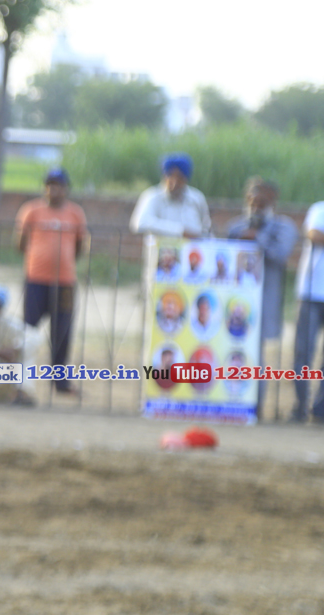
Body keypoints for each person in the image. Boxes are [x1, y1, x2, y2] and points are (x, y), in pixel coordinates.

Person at [226, 177, 297, 416]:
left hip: (264, 301)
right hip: (235, 304)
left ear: (273, 201)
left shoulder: (284, 227)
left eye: (262, 202)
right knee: (232, 352)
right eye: (252, 201)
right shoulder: (235, 227)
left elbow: (281, 254)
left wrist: (257, 239)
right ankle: (230, 401)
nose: (256, 206)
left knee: (255, 355)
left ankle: (254, 407)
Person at [14, 167, 87, 395]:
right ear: (45, 188)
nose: (54, 190)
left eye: (59, 186)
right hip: (36, 279)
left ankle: (60, 381)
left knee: (62, 332)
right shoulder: (31, 211)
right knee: (28, 330)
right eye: (50, 185)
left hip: (65, 282)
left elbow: (79, 246)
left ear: (66, 189)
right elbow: (20, 243)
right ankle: (22, 379)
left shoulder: (75, 213)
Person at [292, 199, 324, 423]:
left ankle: (320, 409)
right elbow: (314, 234)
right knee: (303, 352)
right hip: (312, 292)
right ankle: (300, 405)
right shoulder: (320, 208)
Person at [129, 152, 212, 239]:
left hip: (192, 247)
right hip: (161, 247)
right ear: (164, 177)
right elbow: (140, 223)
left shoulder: (196, 198)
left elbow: (206, 228)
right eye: (171, 177)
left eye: (179, 178)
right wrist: (179, 231)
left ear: (186, 179)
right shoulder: (152, 196)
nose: (175, 183)